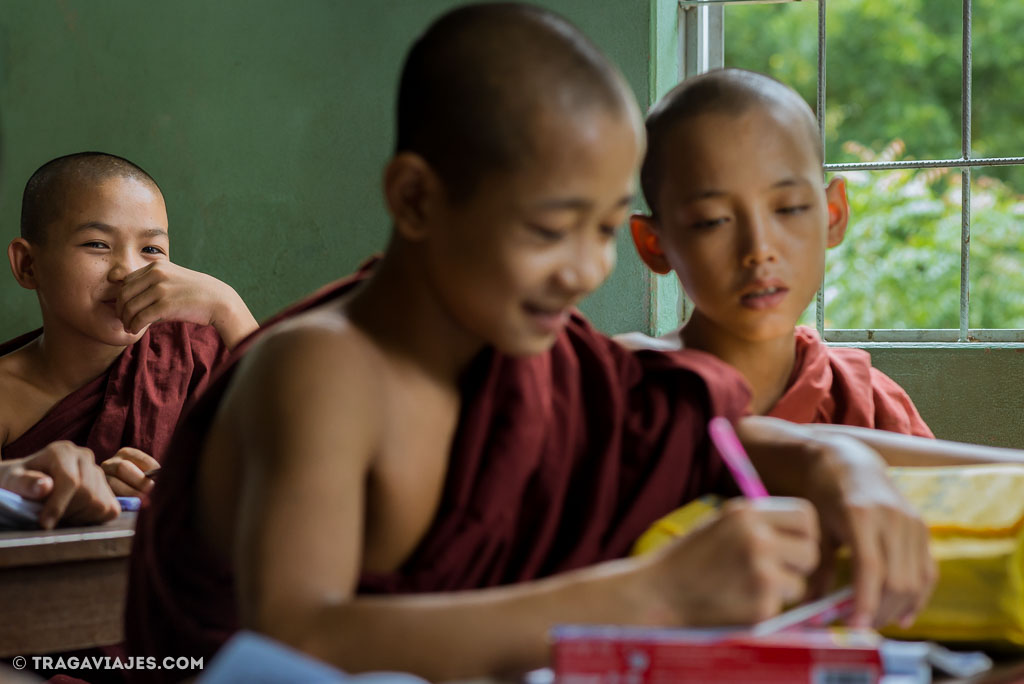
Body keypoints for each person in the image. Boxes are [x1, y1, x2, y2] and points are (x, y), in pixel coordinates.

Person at [125, 6, 933, 682]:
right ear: (415, 198)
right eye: (551, 229)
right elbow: (297, 643)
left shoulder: (535, 359)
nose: (585, 270)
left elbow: (693, 426)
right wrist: (648, 596)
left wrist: (840, 465)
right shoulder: (324, 368)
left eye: (608, 229)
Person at [621, 68, 932, 437]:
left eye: (789, 209)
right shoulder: (626, 392)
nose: (759, 250)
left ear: (832, 215)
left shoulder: (871, 404)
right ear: (654, 245)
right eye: (712, 221)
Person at [0, 152, 258, 498]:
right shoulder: (6, 393)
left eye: (151, 249)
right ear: (28, 265)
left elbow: (299, 442)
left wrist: (228, 307)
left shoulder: (193, 355)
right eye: (97, 245)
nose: (127, 272)